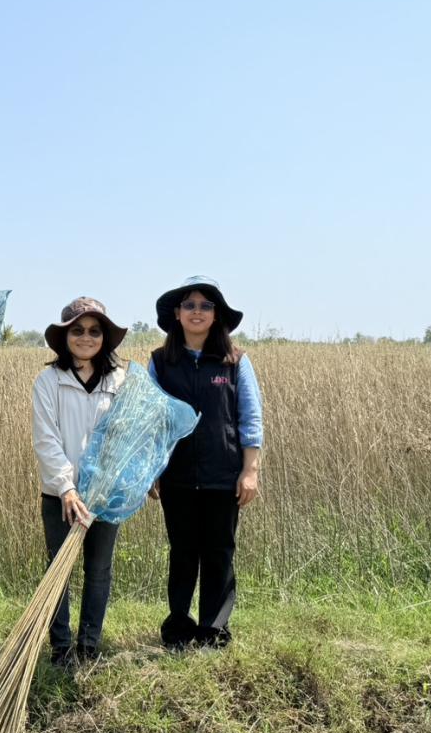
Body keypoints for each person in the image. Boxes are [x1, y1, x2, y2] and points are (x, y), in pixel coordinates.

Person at [149, 275, 263, 650]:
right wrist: (152, 470)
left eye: (205, 305)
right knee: (182, 553)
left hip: (223, 476)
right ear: (177, 315)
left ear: (216, 316)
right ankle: (179, 629)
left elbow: (250, 420)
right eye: (189, 305)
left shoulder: (235, 362)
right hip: (177, 477)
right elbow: (151, 421)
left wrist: (250, 471)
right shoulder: (161, 362)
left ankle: (214, 631)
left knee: (219, 553)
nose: (197, 312)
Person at [31, 297, 129, 667]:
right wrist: (67, 488)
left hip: (105, 496)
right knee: (59, 568)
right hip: (60, 495)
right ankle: (60, 647)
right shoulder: (49, 382)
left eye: (94, 331)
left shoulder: (120, 382)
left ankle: (89, 645)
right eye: (77, 330)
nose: (86, 337)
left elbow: (126, 436)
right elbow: (46, 439)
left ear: (104, 337)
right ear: (64, 337)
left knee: (99, 569)